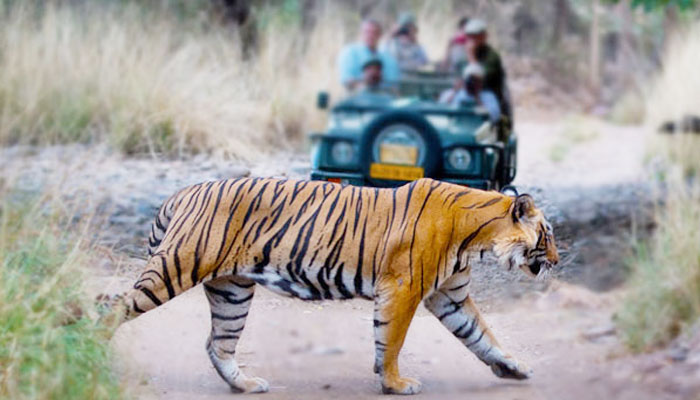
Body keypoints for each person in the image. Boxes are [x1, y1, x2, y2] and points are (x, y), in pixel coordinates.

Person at [463, 18, 511, 119]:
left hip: (489, 99)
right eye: (469, 36)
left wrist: (471, 57)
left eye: (475, 36)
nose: (472, 40)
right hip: (468, 97)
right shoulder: (465, 55)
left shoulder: (492, 57)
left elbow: (479, 80)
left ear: (484, 36)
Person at [338, 19, 400, 91]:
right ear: (361, 33)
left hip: (383, 98)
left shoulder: (389, 59)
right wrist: (365, 82)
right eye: (367, 32)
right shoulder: (349, 52)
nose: (370, 36)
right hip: (356, 98)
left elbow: (394, 86)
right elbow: (347, 81)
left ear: (380, 35)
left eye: (374, 33)